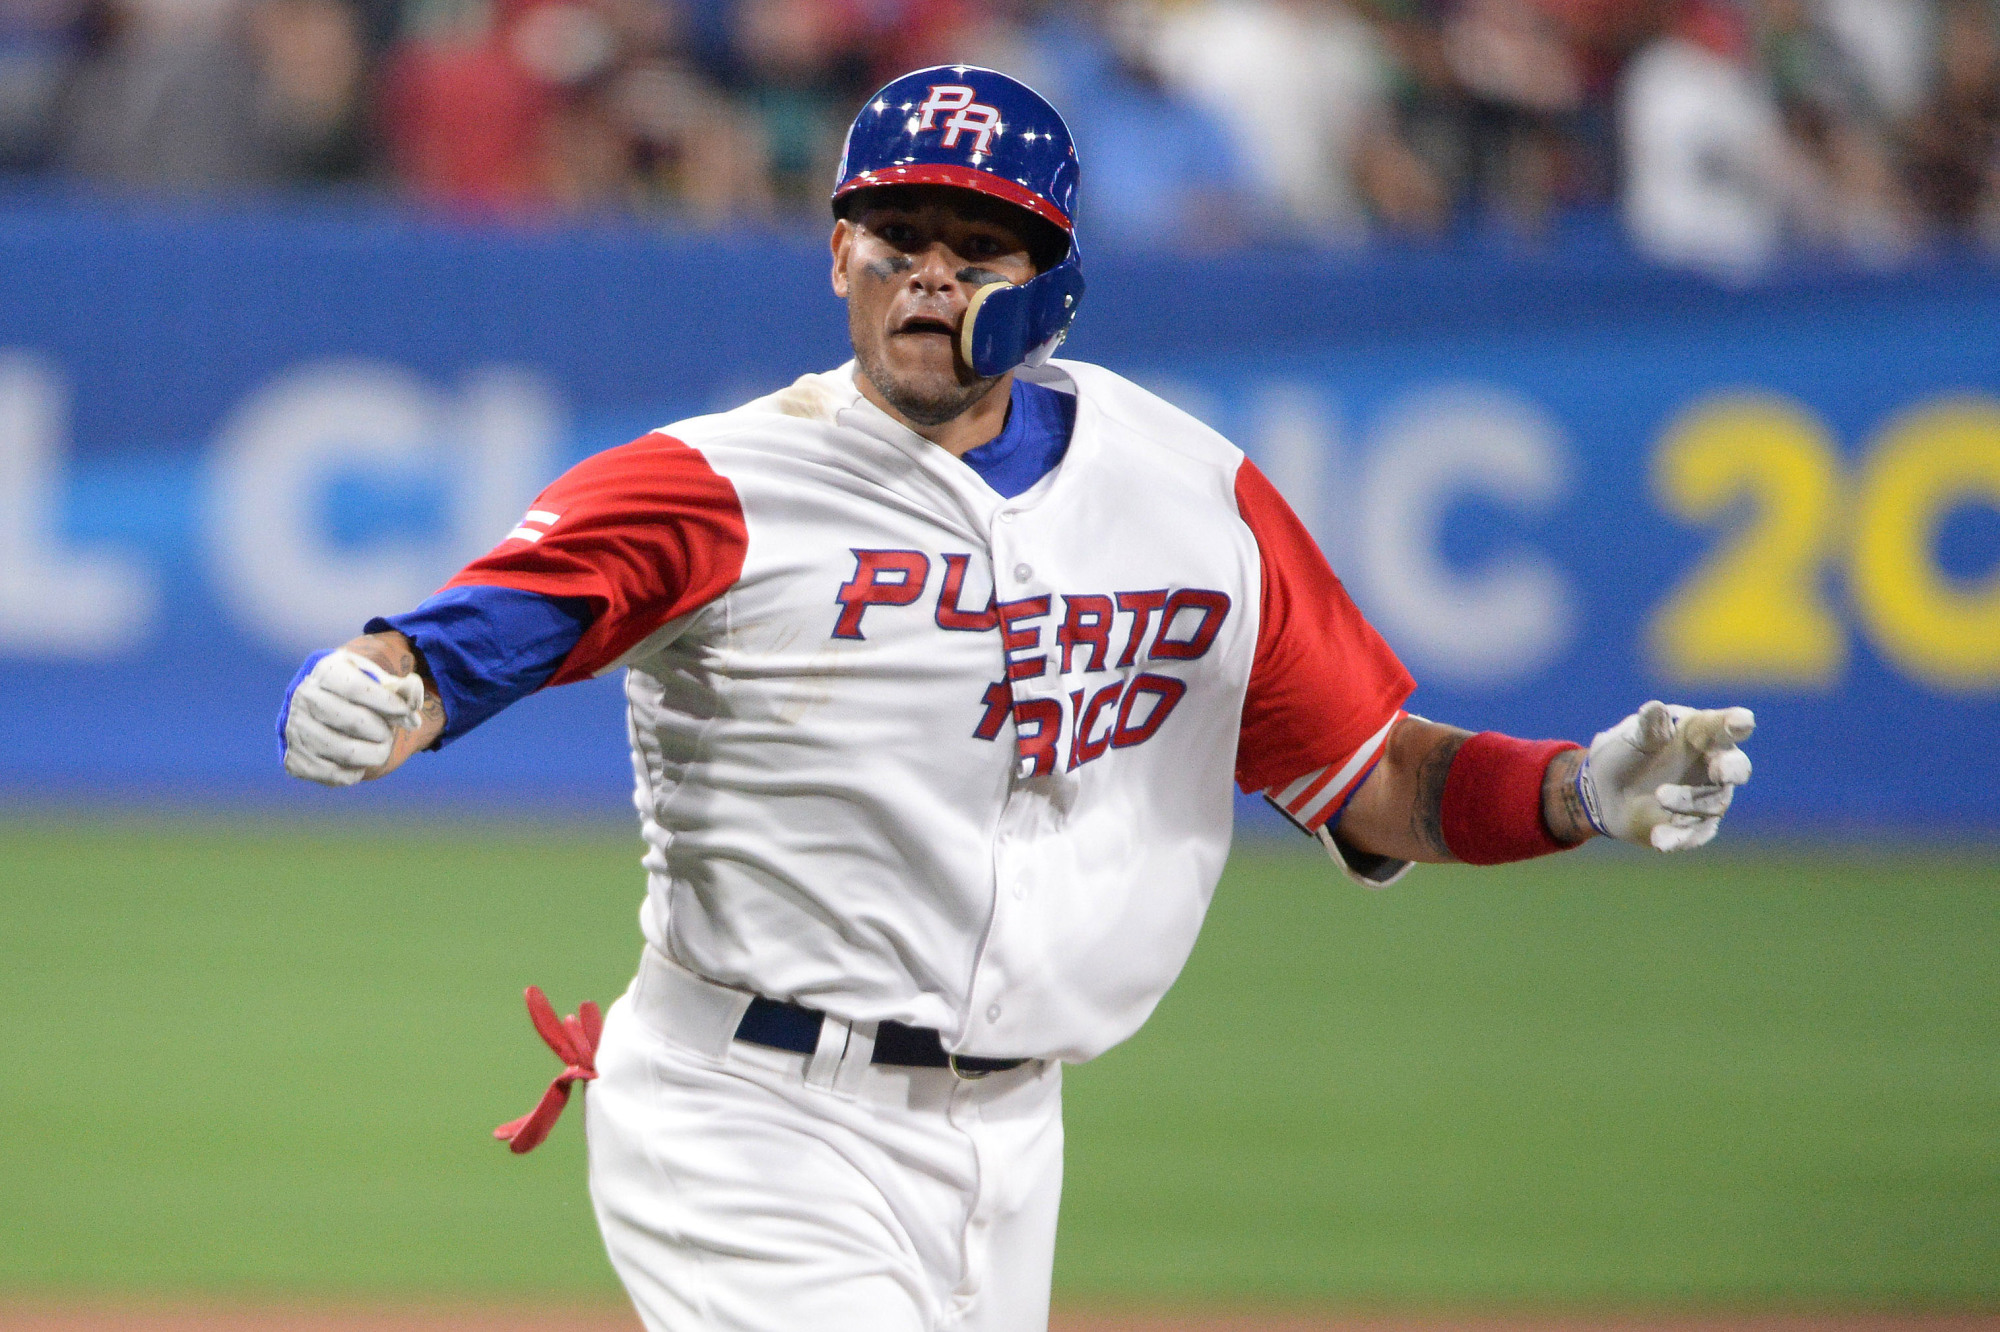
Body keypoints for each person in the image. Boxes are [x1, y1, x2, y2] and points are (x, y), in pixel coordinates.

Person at [277, 65, 1754, 1332]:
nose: (931, 274)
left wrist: (1578, 793)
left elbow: (1374, 778)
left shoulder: (1189, 493)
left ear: (1051, 280)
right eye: (898, 236)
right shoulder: (721, 484)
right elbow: (472, 639)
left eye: (978, 246)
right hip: (748, 1120)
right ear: (837, 256)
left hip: (1014, 1137)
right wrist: (375, 689)